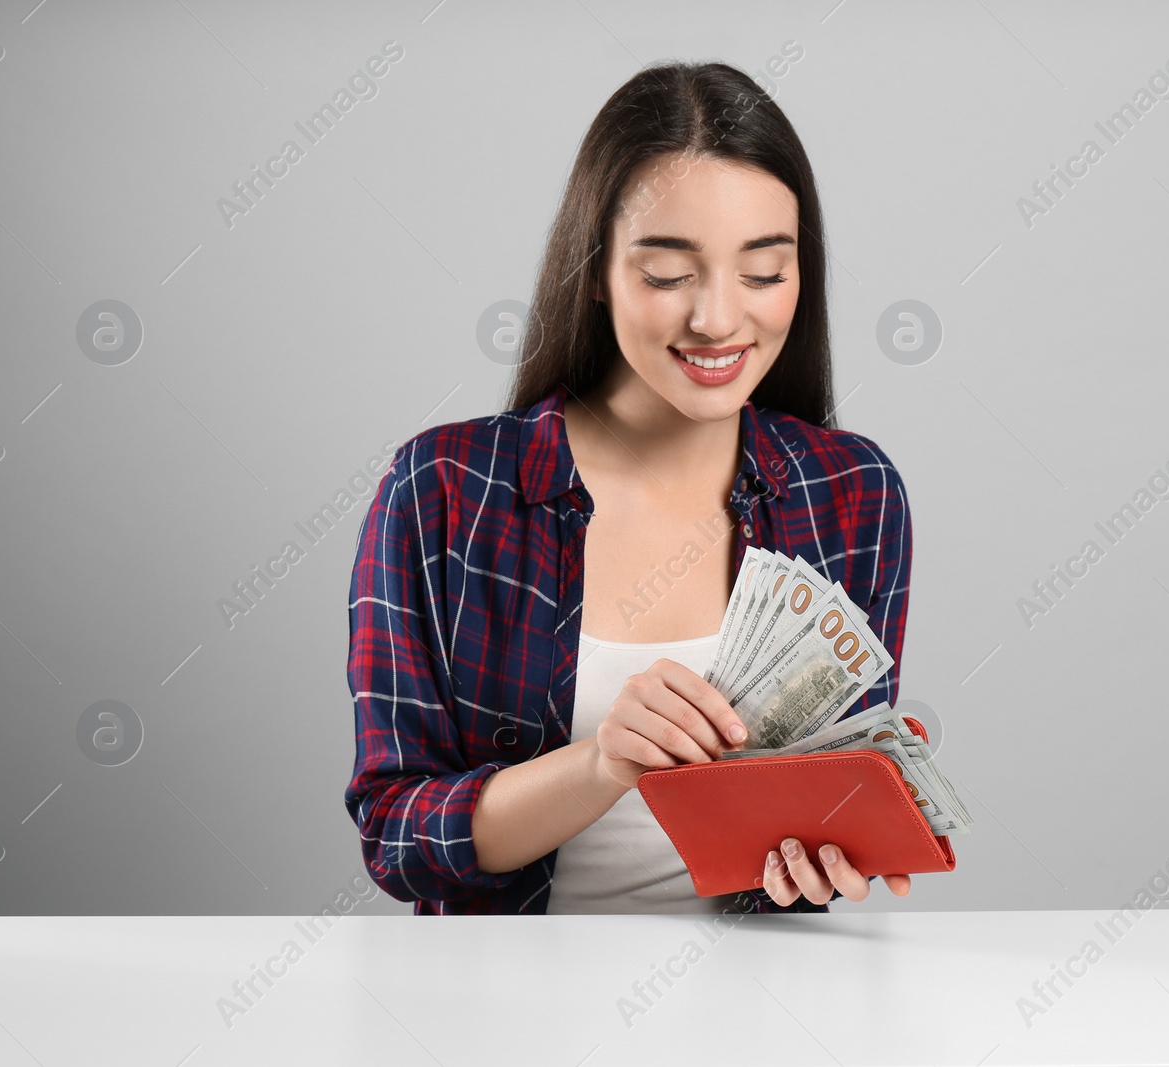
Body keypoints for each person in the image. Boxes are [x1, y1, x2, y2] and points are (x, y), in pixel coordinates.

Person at [344, 60, 913, 915]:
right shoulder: (444, 491)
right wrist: (601, 763)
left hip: (769, 1009)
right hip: (502, 1015)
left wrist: (837, 847)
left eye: (763, 272)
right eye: (667, 273)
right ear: (597, 268)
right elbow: (397, 838)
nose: (719, 318)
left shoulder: (853, 493)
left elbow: (818, 828)